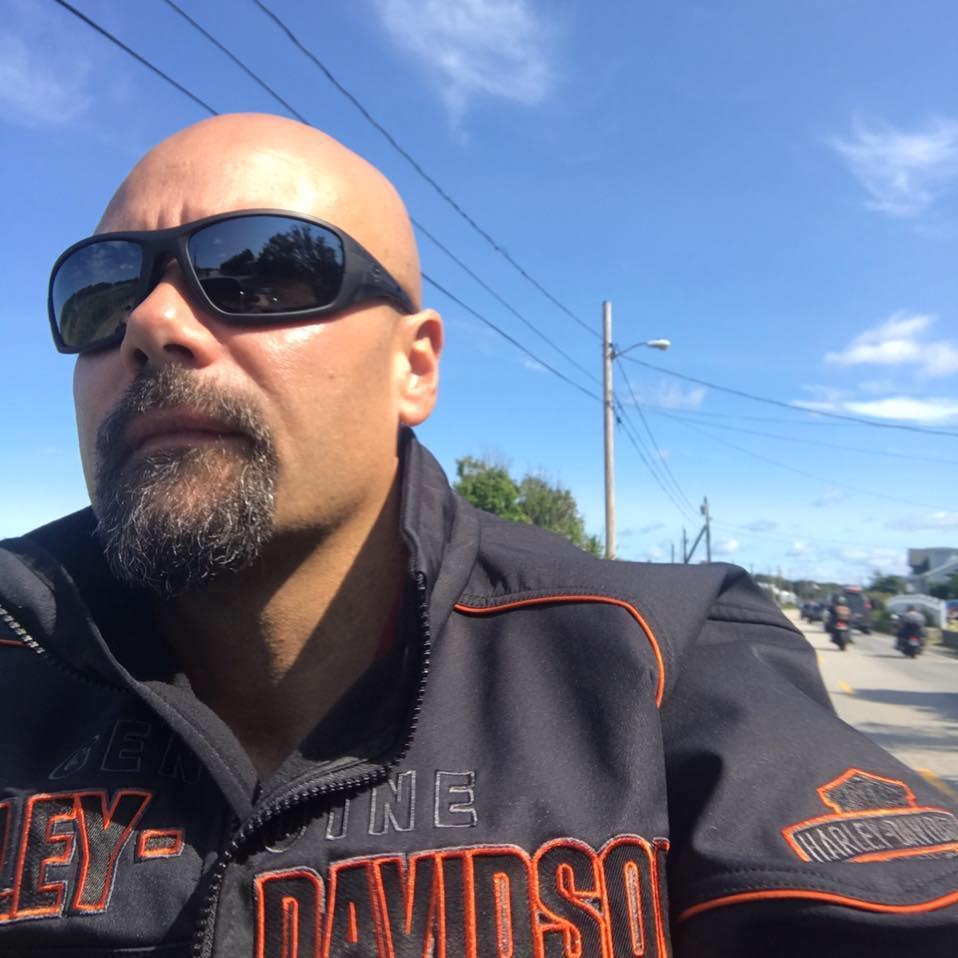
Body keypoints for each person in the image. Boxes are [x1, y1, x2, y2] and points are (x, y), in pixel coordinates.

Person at [1, 114, 955, 957]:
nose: (152, 322)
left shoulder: (658, 663)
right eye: (103, 291)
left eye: (258, 272)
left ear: (414, 368)